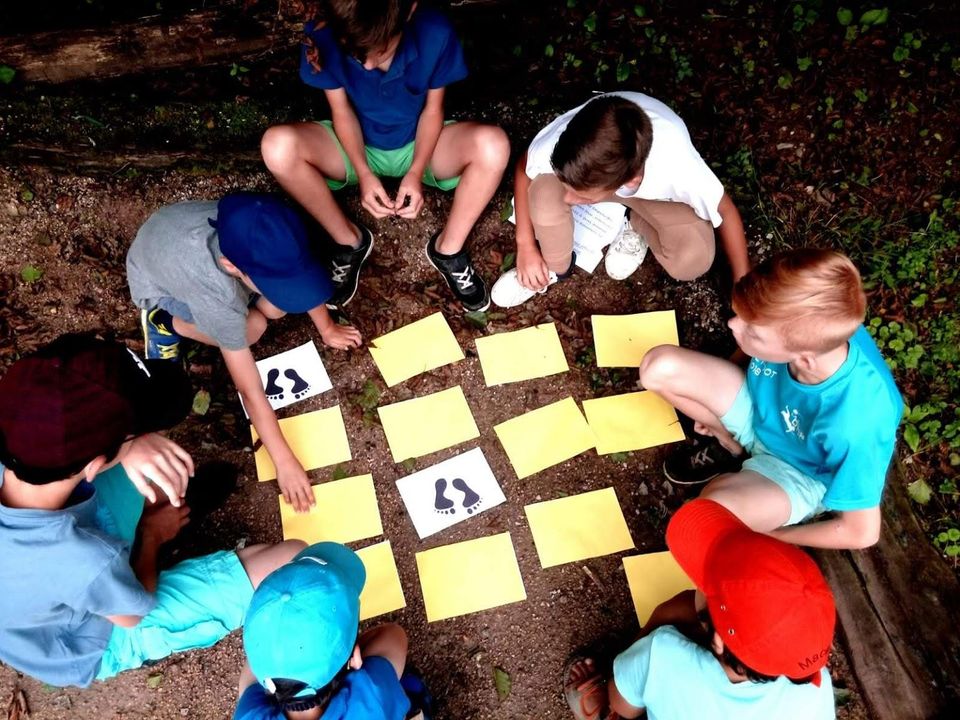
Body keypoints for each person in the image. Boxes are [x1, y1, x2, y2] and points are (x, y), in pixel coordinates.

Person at [0, 334, 305, 688]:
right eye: (131, 434)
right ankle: (161, 530)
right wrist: (151, 536)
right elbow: (131, 614)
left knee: (159, 465)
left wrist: (131, 446)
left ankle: (170, 504)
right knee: (293, 555)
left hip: (52, 577)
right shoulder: (83, 560)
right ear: (94, 465)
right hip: (92, 639)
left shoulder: (21, 445)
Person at [639, 248, 902, 549]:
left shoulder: (858, 424)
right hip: (759, 409)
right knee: (656, 367)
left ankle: (744, 484)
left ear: (804, 360)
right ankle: (729, 444)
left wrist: (775, 538)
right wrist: (720, 387)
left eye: (752, 330)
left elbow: (861, 532)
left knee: (707, 518)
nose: (733, 325)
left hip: (797, 472)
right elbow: (750, 343)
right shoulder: (813, 318)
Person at [260, 0, 510, 313]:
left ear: (409, 11)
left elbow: (433, 110)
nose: (366, 66)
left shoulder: (434, 30)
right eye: (356, 54)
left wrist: (416, 171)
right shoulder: (325, 30)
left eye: (382, 51)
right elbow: (341, 110)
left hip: (421, 143)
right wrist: (364, 172)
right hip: (352, 145)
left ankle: (449, 250)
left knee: (494, 145)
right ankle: (349, 241)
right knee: (277, 146)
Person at [128, 192, 361, 512]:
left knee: (276, 308)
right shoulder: (214, 288)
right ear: (232, 266)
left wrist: (327, 328)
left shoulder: (267, 227)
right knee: (253, 328)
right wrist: (284, 460)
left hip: (180, 242)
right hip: (162, 289)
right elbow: (249, 390)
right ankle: (166, 324)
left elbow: (296, 270)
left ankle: (257, 297)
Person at [564, 498, 837, 720]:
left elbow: (623, 704)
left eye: (706, 579)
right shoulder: (817, 690)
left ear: (718, 641)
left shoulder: (663, 655)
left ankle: (599, 715)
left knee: (618, 705)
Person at [489, 91, 750, 307]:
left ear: (631, 181)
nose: (568, 198)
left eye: (578, 194)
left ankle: (637, 223)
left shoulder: (677, 167)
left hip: (652, 197)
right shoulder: (566, 143)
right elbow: (525, 167)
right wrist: (525, 244)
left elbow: (725, 211)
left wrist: (744, 298)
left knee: (693, 258)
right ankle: (554, 268)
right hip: (607, 174)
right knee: (544, 196)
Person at [235, 541, 427, 720]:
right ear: (354, 656)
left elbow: (249, 682)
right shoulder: (372, 700)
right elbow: (394, 636)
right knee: (406, 688)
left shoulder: (249, 714)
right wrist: (352, 667)